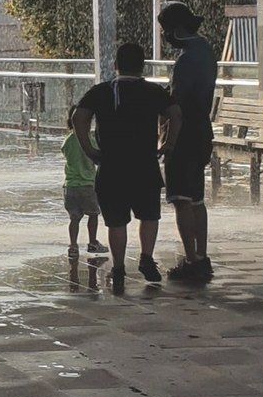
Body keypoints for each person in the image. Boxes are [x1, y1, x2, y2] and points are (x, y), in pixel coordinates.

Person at [73, 42, 182, 292]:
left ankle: (119, 267)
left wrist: (89, 149)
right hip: (145, 163)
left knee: (116, 221)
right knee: (149, 215)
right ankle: (146, 258)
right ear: (142, 66)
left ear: (115, 65)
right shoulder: (152, 91)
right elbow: (176, 114)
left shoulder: (102, 91)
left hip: (111, 165)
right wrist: (168, 144)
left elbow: (79, 117)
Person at [159, 1, 218, 282]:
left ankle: (191, 260)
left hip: (184, 134)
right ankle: (202, 256)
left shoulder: (185, 59)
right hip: (203, 131)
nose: (165, 36)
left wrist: (168, 142)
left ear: (177, 29)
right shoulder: (205, 50)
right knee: (196, 199)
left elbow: (176, 104)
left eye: (166, 30)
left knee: (181, 199)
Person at [62, 104, 108, 258]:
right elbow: (97, 155)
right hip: (88, 184)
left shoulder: (68, 141)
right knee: (93, 214)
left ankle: (73, 246)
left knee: (74, 218)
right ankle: (92, 242)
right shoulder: (90, 140)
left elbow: (65, 152)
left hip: (70, 186)